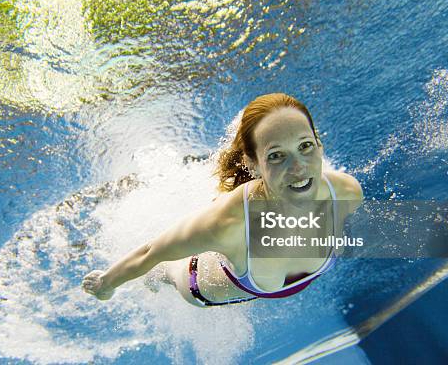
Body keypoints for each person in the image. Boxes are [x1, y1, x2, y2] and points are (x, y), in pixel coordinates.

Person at [82, 93, 363, 307]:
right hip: (199, 283)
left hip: (251, 280)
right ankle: (156, 279)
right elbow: (149, 252)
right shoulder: (230, 224)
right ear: (253, 165)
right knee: (162, 270)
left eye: (305, 147)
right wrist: (106, 284)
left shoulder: (346, 193)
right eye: (277, 155)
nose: (299, 168)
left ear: (320, 146)